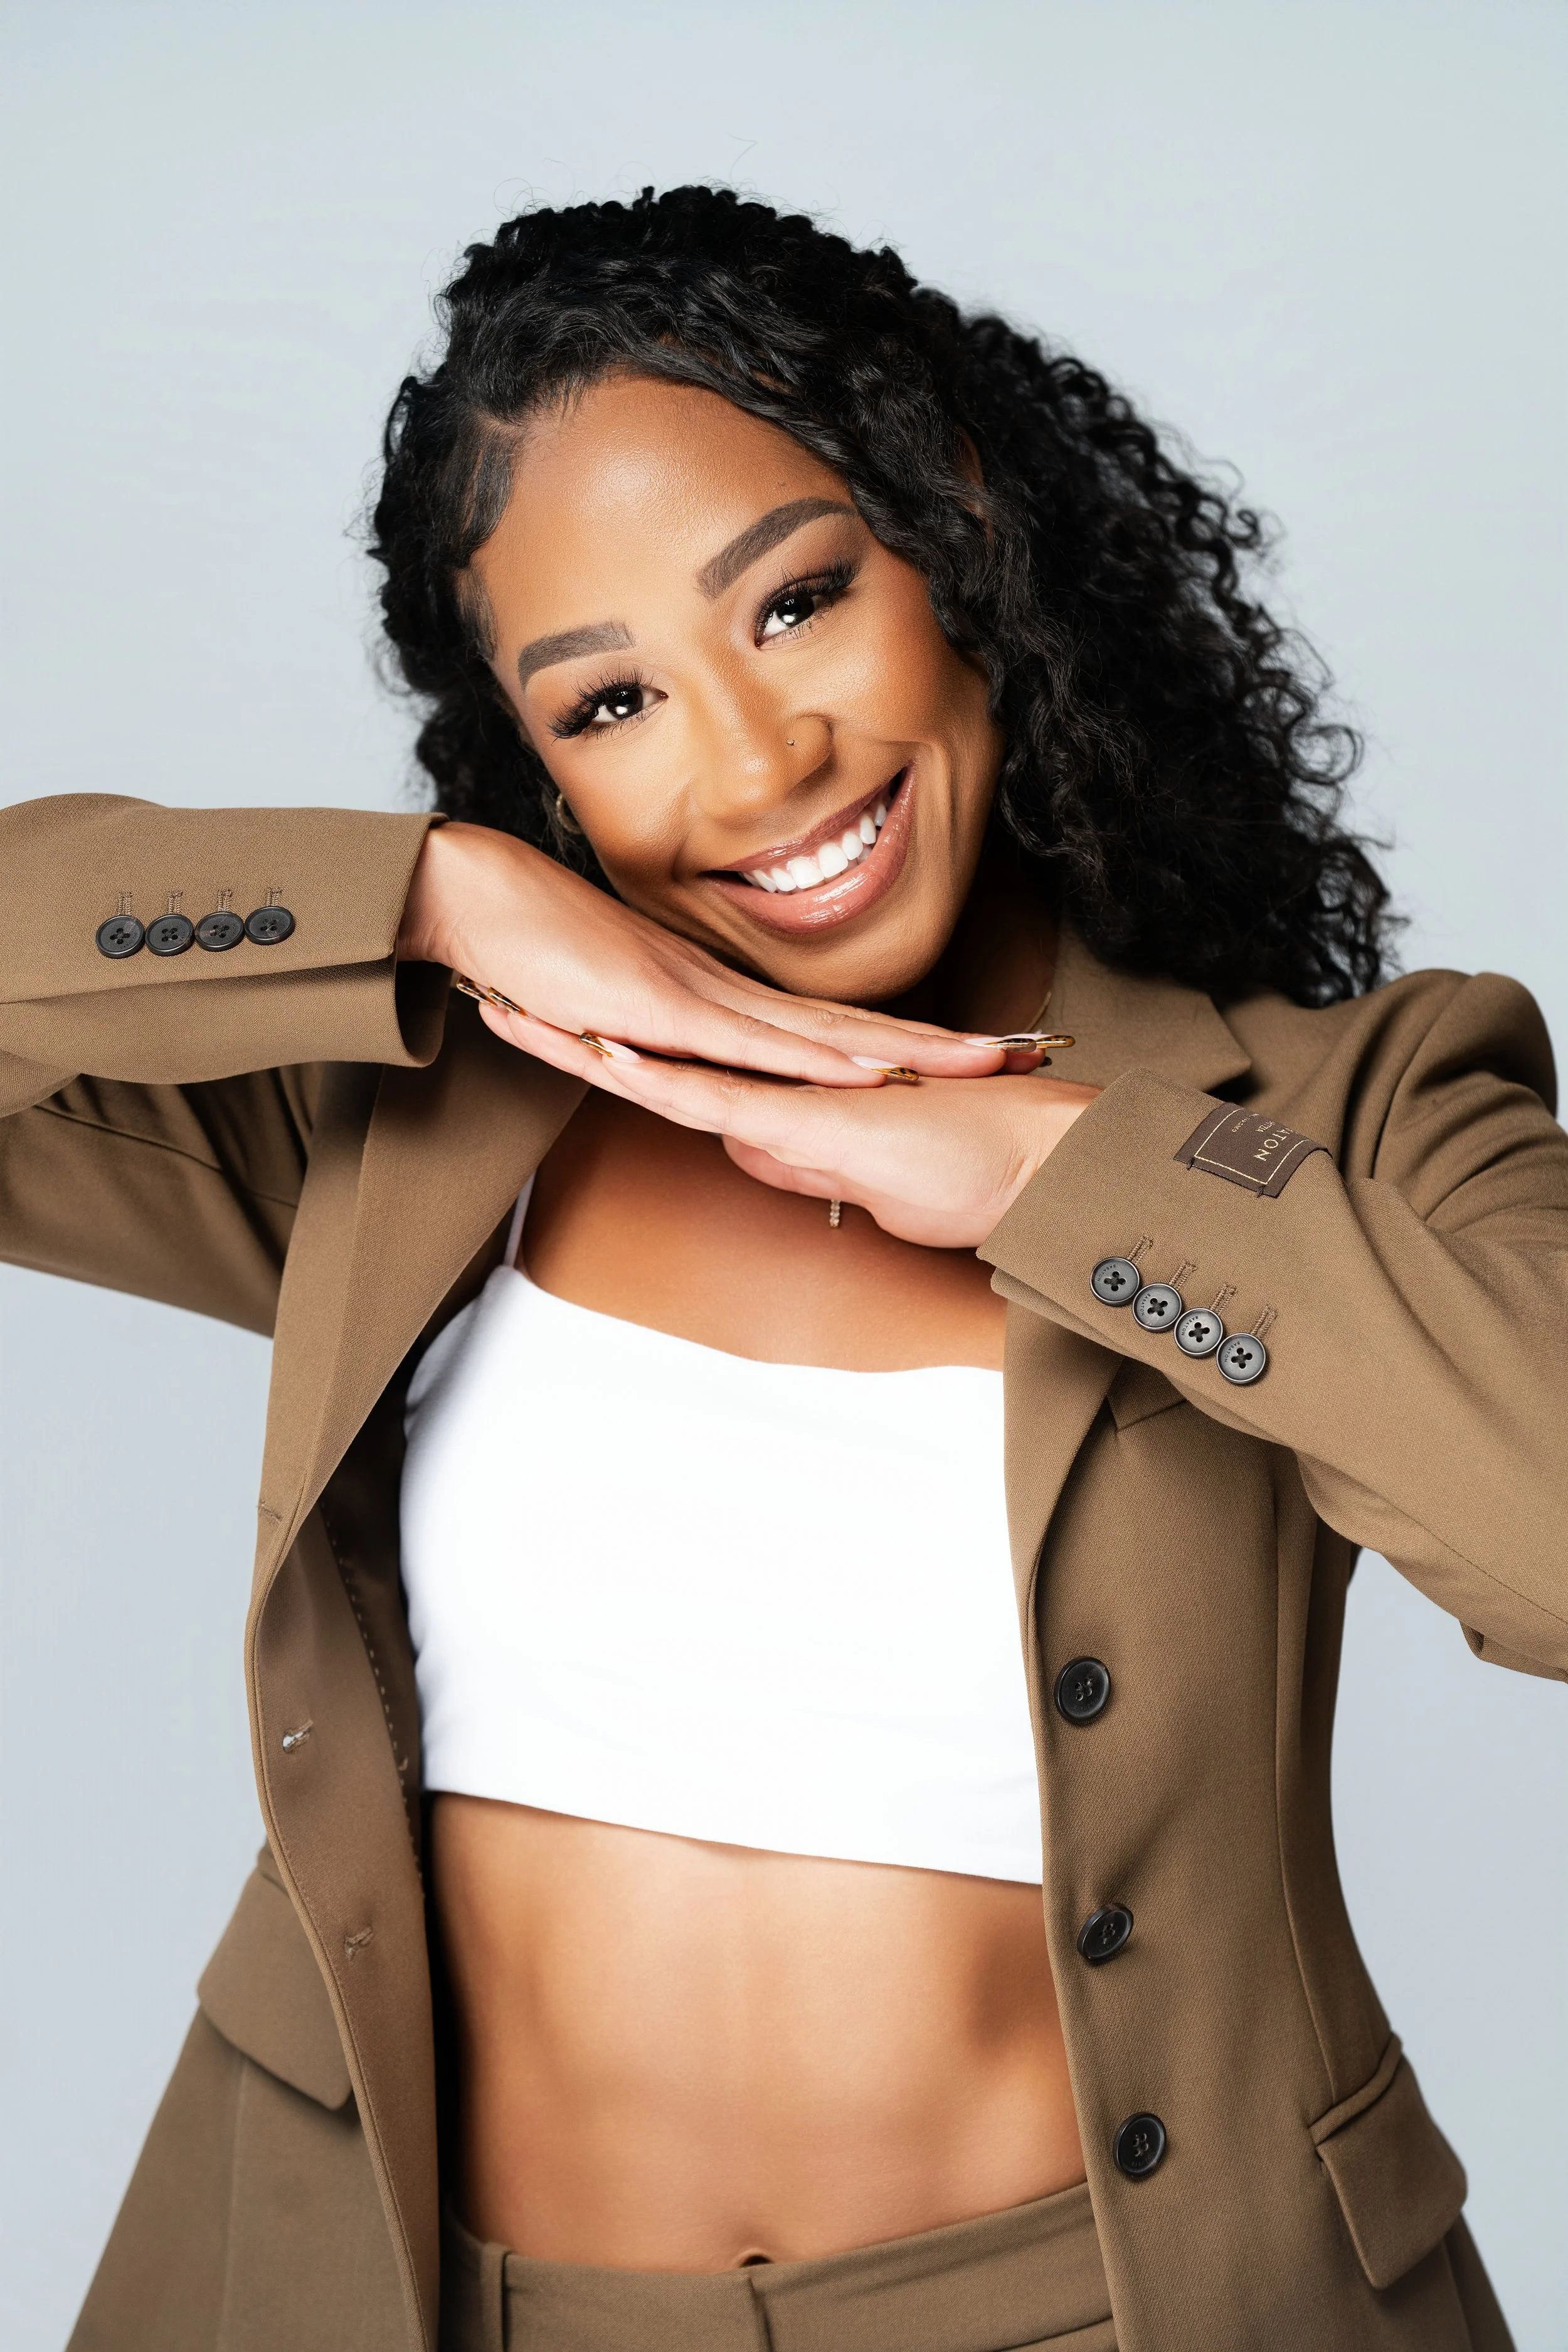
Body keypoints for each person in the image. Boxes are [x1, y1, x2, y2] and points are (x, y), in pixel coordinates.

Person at [6, 186, 1556, 2352]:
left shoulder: (1344, 1109)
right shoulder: (418, 1115)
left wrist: (1061, 1173)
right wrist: (427, 901)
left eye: (798, 602)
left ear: (963, 534)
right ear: (525, 756)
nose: (754, 765)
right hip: (403, 2301)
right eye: (609, 697)